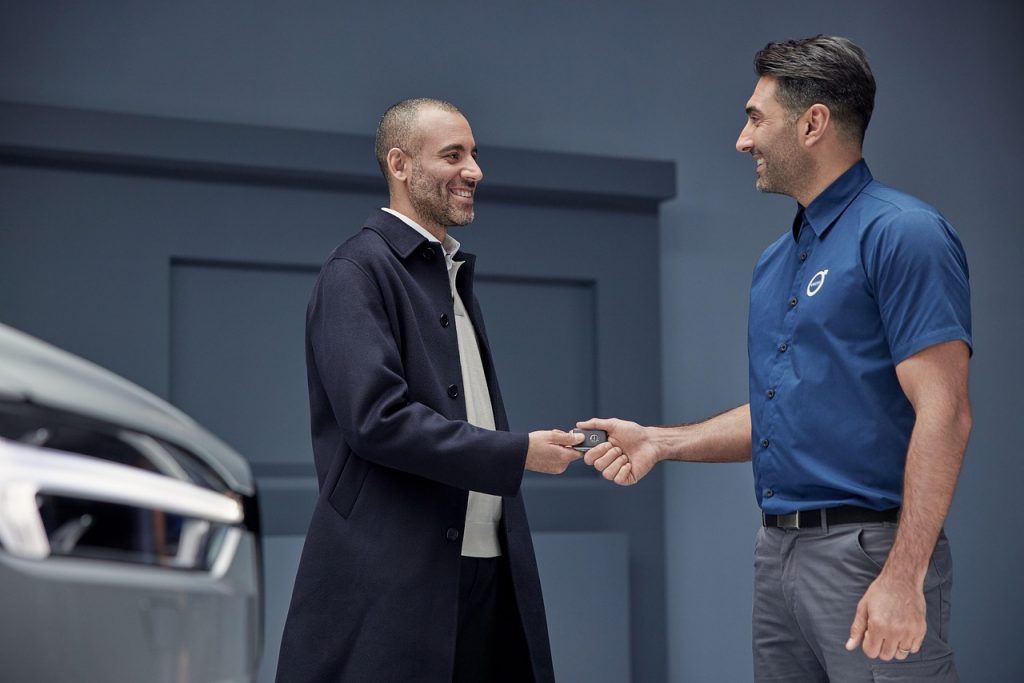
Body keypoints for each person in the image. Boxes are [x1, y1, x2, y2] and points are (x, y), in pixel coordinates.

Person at [579, 36, 971, 682]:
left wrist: (905, 574)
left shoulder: (903, 234)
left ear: (813, 122)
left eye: (755, 117)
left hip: (869, 552)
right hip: (777, 553)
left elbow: (946, 412)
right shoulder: (773, 263)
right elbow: (786, 415)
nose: (742, 139)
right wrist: (658, 441)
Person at [276, 98, 582, 682]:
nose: (475, 170)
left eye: (474, 154)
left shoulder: (449, 270)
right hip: (397, 579)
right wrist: (519, 453)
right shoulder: (356, 271)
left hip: (489, 569)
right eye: (453, 154)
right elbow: (376, 420)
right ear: (400, 163)